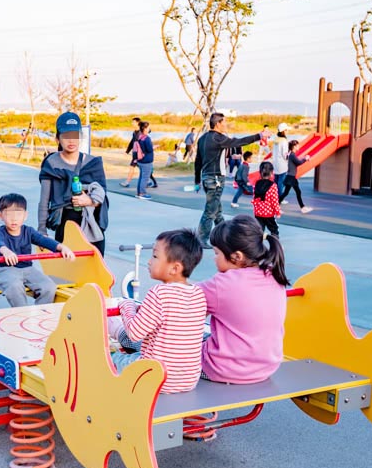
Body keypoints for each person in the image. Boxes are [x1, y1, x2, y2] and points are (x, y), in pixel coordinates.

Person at [109, 228, 206, 394]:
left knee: (106, 360)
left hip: (155, 378)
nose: (149, 262)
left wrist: (127, 306)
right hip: (188, 379)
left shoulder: (159, 293)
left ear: (175, 268)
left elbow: (134, 332)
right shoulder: (198, 294)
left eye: (155, 256)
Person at [199, 215, 288, 384]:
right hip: (266, 367)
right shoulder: (273, 275)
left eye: (217, 253)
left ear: (237, 256)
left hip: (222, 368)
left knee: (151, 339)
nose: (214, 258)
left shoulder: (222, 284)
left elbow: (180, 306)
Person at [38, 112, 109, 254]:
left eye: (75, 135)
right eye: (65, 136)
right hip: (64, 226)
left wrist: (88, 200)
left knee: (94, 271)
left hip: (91, 227)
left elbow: (102, 198)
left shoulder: (92, 163)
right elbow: (44, 201)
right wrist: (42, 231)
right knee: (68, 272)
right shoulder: (51, 164)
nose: (71, 140)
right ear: (57, 138)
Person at [193, 112, 268, 246]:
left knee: (217, 210)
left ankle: (225, 235)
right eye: (224, 122)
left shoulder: (203, 138)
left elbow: (198, 161)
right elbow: (238, 142)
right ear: (218, 124)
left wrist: (197, 181)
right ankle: (201, 238)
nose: (226, 124)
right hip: (216, 178)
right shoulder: (218, 138)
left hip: (206, 178)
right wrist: (259, 136)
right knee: (211, 210)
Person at [0, 193, 75, 307]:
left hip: (27, 269)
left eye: (18, 214)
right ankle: (22, 314)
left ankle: (40, 312)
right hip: (5, 270)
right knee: (15, 286)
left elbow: (43, 240)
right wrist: (6, 251)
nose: (14, 219)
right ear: (0, 216)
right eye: (9, 214)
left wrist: (62, 247)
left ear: (25, 215)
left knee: (49, 286)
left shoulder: (28, 231)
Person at [279, 139, 312, 213]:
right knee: (297, 192)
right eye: (297, 145)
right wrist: (305, 158)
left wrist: (303, 158)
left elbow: (295, 162)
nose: (298, 146)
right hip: (291, 177)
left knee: (286, 193)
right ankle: (303, 208)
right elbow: (298, 163)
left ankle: (275, 207)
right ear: (294, 146)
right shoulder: (292, 155)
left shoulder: (290, 154)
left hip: (290, 176)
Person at [252, 161, 281, 237]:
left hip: (258, 213)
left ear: (260, 172)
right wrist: (277, 212)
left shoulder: (256, 184)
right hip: (269, 214)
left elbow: (254, 198)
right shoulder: (273, 186)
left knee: (259, 230)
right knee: (274, 229)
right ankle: (275, 244)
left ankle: (257, 245)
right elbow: (274, 201)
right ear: (271, 173)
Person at [133, 120, 155, 199]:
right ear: (145, 128)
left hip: (140, 160)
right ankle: (142, 193)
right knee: (145, 178)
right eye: (148, 127)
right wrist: (154, 147)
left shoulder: (139, 137)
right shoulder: (147, 138)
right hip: (146, 161)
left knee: (141, 177)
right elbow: (149, 150)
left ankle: (139, 192)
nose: (149, 129)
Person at [270, 123, 291, 196]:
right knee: (281, 182)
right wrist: (290, 153)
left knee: (276, 181)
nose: (287, 131)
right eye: (286, 130)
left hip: (275, 163)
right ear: (284, 131)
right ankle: (280, 198)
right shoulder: (284, 141)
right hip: (282, 164)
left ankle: (274, 197)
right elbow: (285, 154)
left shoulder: (276, 139)